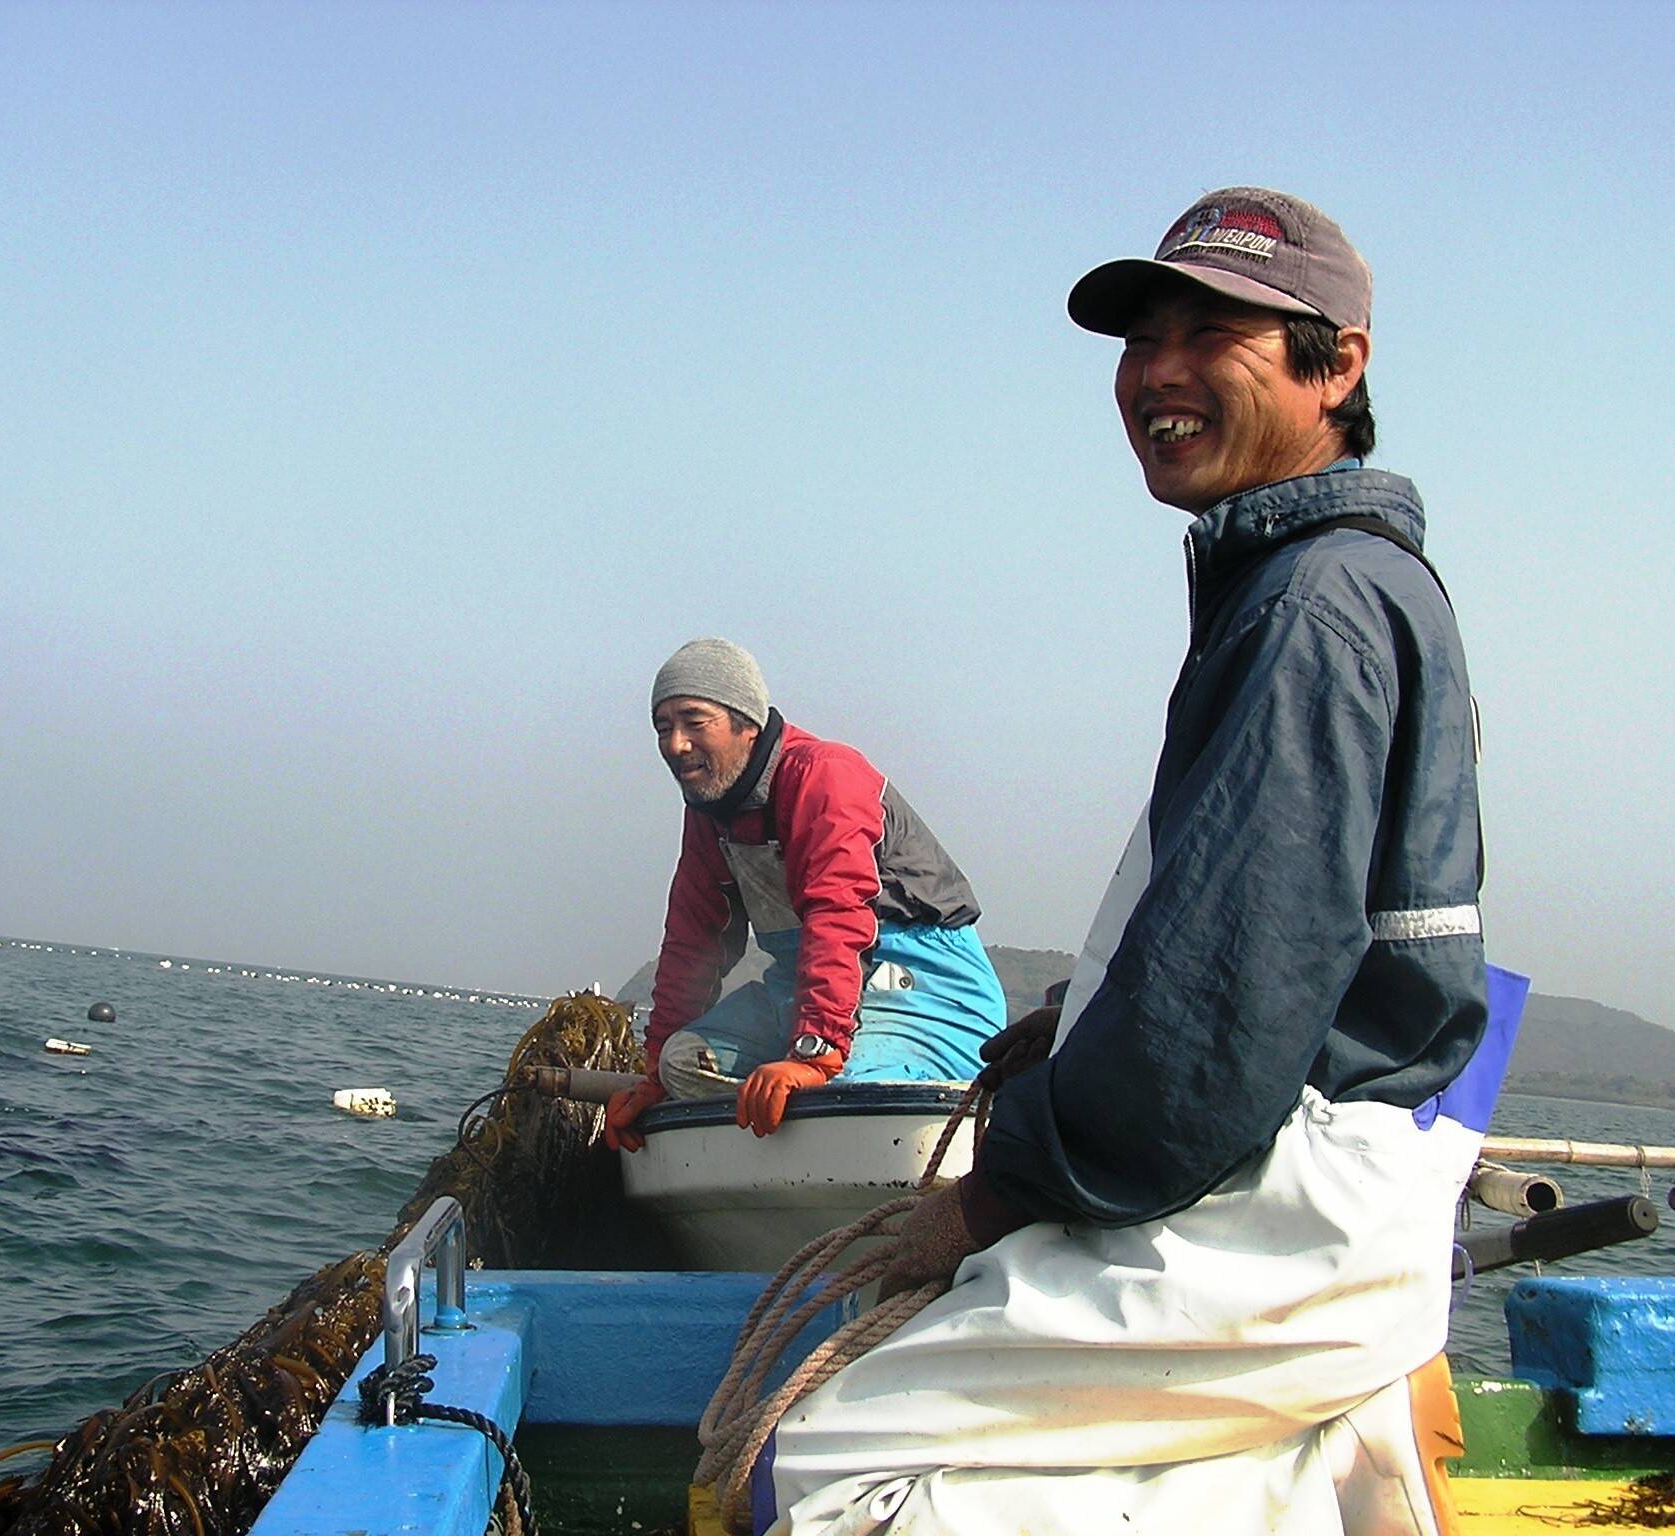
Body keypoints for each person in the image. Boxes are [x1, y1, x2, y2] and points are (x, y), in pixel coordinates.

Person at [763, 188, 1496, 1533]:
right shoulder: (1323, 583)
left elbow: (1208, 1030)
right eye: (1139, 334)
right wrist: (1068, 1024)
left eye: (1212, 333)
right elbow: (1265, 942)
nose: (1156, 370)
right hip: (1303, 1184)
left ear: (1339, 362)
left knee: (823, 1470)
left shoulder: (1312, 609)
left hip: (1281, 1202)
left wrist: (992, 1200)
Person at [604, 638, 1007, 1148]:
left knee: (845, 1092)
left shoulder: (826, 775)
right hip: (797, 992)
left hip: (926, 989)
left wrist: (813, 1054)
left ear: (746, 722)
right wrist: (655, 1077)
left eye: (693, 721)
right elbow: (693, 943)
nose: (675, 743)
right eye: (663, 728)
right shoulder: (708, 814)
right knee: (685, 1064)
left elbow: (837, 914)